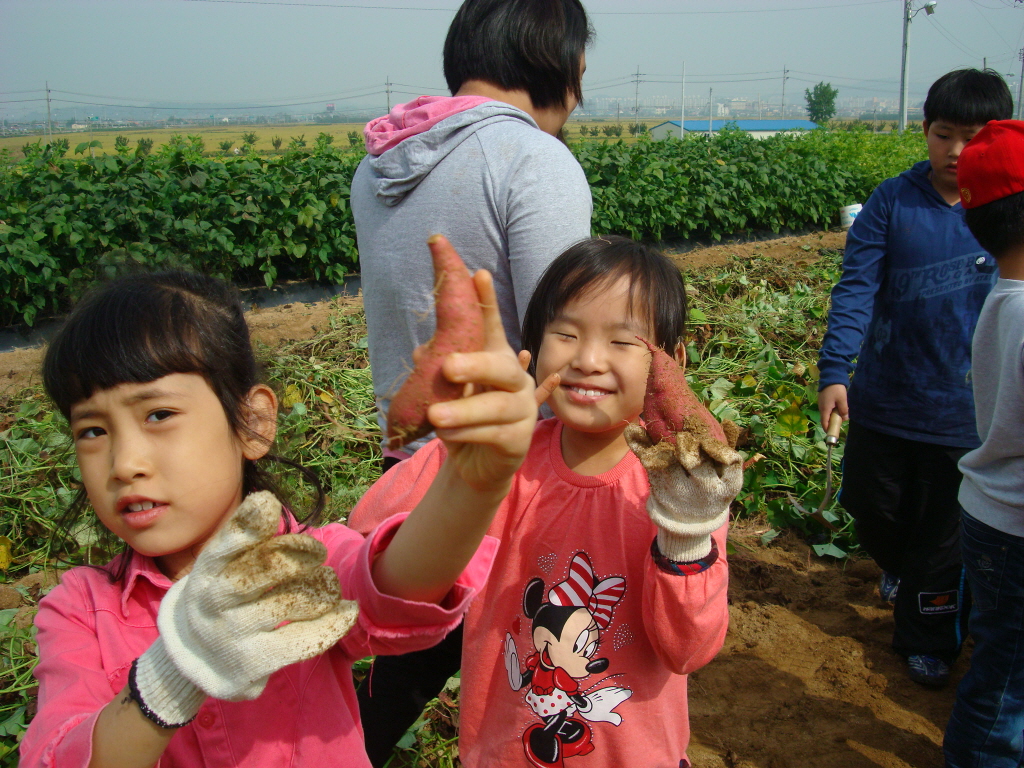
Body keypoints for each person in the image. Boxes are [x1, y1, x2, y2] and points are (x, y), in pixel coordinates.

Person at [19, 266, 539, 768]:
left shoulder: (304, 563)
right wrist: (169, 677)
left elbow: (400, 587)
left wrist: (474, 483)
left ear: (253, 423)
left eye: (158, 415)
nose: (124, 464)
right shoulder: (77, 612)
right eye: (92, 430)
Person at [351, 236, 740, 767]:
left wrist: (688, 534)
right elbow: (367, 528)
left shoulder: (682, 492)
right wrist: (462, 451)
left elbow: (688, 649)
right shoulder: (504, 464)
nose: (587, 359)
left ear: (672, 362)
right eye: (565, 333)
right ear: (532, 346)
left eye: (624, 342)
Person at [816, 68, 1013, 687]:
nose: (955, 150)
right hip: (886, 397)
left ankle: (927, 638)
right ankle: (904, 573)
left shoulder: (1007, 213)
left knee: (941, 535)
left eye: (972, 136)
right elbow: (856, 289)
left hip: (967, 412)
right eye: (943, 133)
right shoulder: (892, 202)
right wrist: (834, 370)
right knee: (869, 504)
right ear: (926, 132)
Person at [351, 0, 593, 467]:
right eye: (579, 75)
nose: (576, 100)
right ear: (555, 61)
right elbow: (565, 344)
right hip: (503, 466)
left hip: (404, 459)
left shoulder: (377, 163)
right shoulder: (533, 159)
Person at [942, 120, 1024, 767]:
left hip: (991, 513)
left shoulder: (1007, 298)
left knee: (1000, 661)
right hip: (1015, 526)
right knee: (1003, 691)